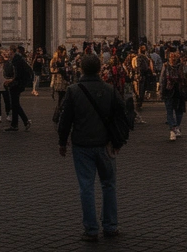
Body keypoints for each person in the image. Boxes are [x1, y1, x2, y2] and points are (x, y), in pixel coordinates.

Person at [57, 52, 127, 243]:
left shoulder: (73, 90)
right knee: (109, 185)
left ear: (81, 69)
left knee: (86, 187)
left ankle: (91, 230)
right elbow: (125, 115)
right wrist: (118, 141)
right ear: (99, 69)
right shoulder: (110, 90)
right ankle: (111, 226)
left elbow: (65, 121)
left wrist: (62, 142)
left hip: (82, 146)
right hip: (106, 145)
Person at [159, 51, 187, 141]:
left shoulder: (182, 66)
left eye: (174, 58)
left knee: (179, 111)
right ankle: (173, 128)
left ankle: (176, 127)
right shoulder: (165, 66)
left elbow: (186, 77)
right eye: (171, 58)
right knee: (169, 110)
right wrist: (161, 91)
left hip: (179, 91)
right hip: (169, 91)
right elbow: (162, 79)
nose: (172, 60)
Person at [5, 46, 33, 132]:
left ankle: (24, 121)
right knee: (15, 104)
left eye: (9, 51)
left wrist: (10, 81)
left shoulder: (16, 61)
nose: (8, 53)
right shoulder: (19, 59)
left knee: (15, 104)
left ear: (12, 52)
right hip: (19, 83)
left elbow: (17, 75)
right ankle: (15, 124)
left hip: (17, 84)